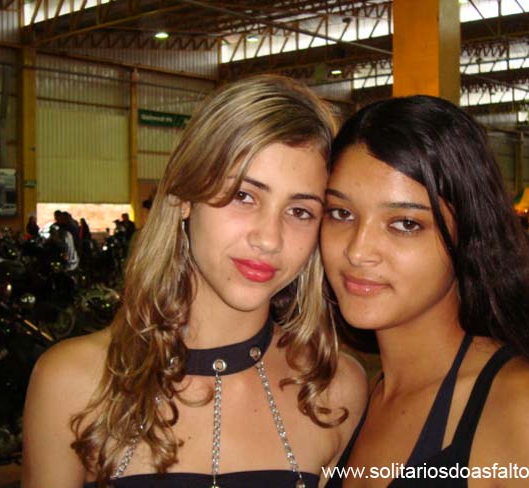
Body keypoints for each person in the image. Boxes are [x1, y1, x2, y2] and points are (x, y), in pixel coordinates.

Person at [22, 74, 367, 488]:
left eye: (300, 211)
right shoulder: (73, 382)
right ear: (185, 197)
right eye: (243, 195)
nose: (269, 239)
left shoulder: (334, 392)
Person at [320, 96, 529, 487]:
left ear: (469, 235)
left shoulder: (527, 412)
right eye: (341, 213)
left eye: (405, 223)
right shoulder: (360, 402)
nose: (357, 250)